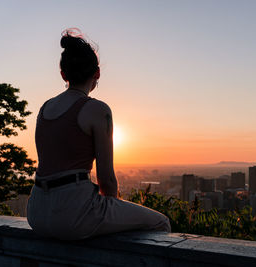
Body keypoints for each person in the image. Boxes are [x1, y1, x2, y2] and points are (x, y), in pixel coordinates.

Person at [27, 29, 171, 240]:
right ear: (97, 73)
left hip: (36, 212)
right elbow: (107, 180)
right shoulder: (98, 110)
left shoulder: (45, 108)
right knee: (161, 222)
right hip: (73, 213)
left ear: (63, 74)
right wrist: (110, 207)